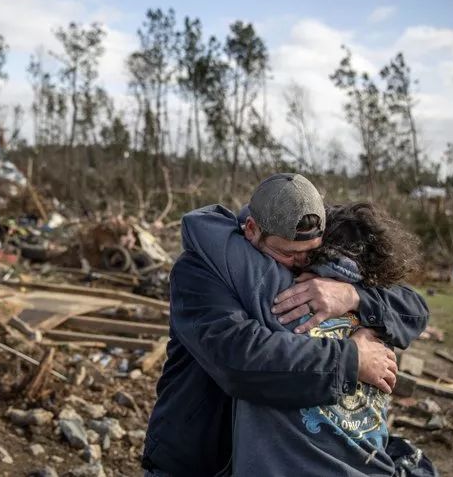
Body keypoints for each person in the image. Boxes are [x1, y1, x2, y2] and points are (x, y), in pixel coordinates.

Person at [143, 173, 429, 477]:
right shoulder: (202, 270)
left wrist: (353, 295)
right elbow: (239, 358)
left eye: (312, 252)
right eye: (289, 253)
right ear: (252, 230)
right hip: (198, 457)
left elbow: (414, 308)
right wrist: (353, 358)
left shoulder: (315, 250)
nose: (303, 263)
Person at [230, 202, 436, 476]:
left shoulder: (270, 300)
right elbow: (417, 311)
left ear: (312, 247)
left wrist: (354, 296)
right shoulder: (381, 315)